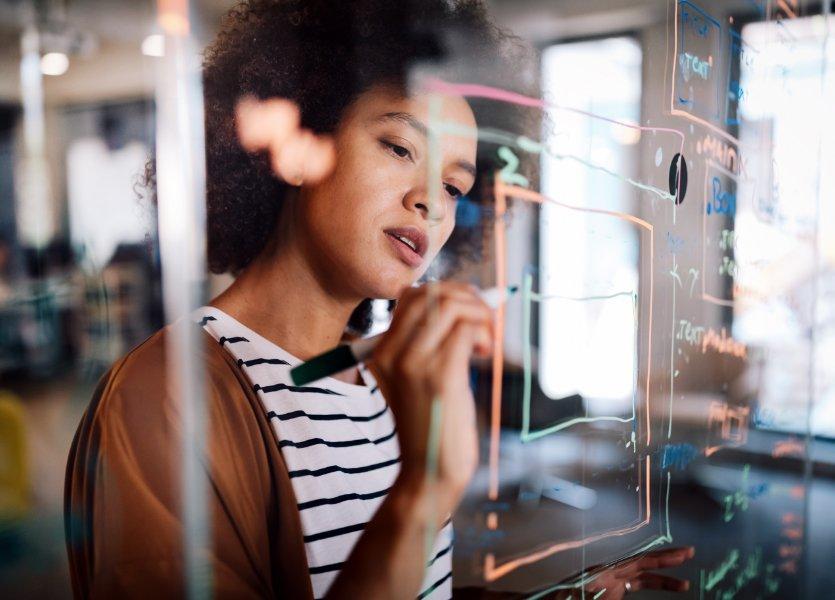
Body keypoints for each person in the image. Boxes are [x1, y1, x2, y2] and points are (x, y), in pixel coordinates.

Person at [64, 1, 693, 598]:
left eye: (454, 185)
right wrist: (421, 493)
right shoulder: (165, 397)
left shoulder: (386, 383)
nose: (430, 201)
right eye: (398, 147)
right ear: (299, 145)